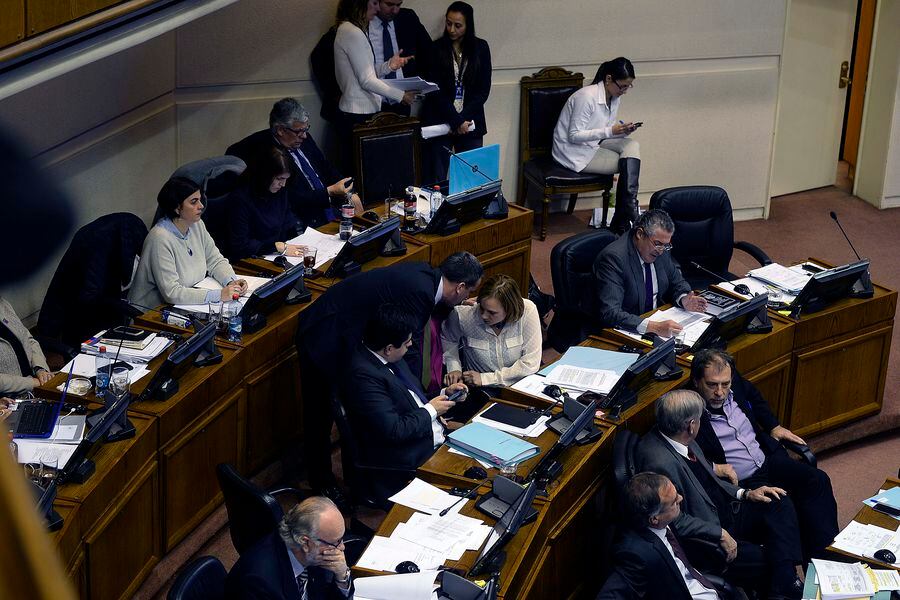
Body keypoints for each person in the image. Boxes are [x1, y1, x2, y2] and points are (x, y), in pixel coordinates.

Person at [294, 252, 483, 505]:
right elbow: (410, 350)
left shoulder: (427, 277)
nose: (467, 298)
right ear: (460, 287)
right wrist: (425, 407)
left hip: (346, 331)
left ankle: (349, 476)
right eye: (469, 291)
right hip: (324, 335)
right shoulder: (421, 294)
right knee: (320, 413)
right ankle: (322, 482)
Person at [636, 389, 804, 599]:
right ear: (691, 425)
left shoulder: (679, 435)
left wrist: (746, 493)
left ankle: (784, 583)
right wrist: (719, 533)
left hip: (726, 508)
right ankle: (786, 583)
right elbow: (673, 520)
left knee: (779, 501)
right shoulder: (659, 462)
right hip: (709, 533)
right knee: (769, 558)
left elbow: (711, 477)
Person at [690, 348, 838, 560]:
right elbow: (684, 455)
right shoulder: (690, 411)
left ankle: (826, 560)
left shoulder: (732, 379)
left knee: (817, 480)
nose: (720, 392)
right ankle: (790, 577)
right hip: (742, 482)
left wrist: (773, 426)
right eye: (712, 385)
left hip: (767, 460)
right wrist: (714, 466)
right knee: (780, 503)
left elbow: (752, 394)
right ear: (696, 381)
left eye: (725, 384)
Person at [343, 304, 468, 504]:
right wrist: (432, 410)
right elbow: (394, 430)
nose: (410, 345)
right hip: (413, 457)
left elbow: (410, 398)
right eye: (407, 342)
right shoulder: (363, 377)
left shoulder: (389, 356)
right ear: (389, 348)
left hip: (433, 436)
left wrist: (444, 394)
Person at [226, 98, 361, 230]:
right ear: (280, 130)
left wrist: (350, 192)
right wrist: (329, 192)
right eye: (299, 131)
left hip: (332, 209)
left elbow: (326, 168)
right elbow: (288, 197)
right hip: (304, 220)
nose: (304, 136)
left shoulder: (304, 140)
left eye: (306, 129)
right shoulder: (268, 155)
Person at [596, 472, 721, 599]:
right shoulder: (634, 555)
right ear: (654, 519)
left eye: (676, 492)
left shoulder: (663, 519)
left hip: (702, 585)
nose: (680, 498)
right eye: (674, 502)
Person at [128, 177, 248, 309]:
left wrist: (231, 282)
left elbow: (215, 260)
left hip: (186, 305)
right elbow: (171, 292)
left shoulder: (196, 225)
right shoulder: (159, 238)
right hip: (152, 313)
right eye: (193, 202)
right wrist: (218, 295)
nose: (201, 206)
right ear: (177, 208)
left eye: (200, 199)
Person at [551, 57, 641, 233]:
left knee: (631, 146)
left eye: (628, 86)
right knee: (627, 164)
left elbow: (606, 129)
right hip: (572, 151)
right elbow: (574, 135)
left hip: (593, 143)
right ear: (608, 79)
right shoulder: (586, 96)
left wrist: (623, 131)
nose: (625, 91)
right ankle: (626, 216)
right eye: (622, 86)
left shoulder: (614, 97)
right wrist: (611, 132)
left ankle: (626, 211)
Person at [333, 0, 419, 171]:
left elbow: (364, 73)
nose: (377, 7)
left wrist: (389, 66)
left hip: (357, 112)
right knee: (364, 172)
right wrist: (401, 96)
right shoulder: (353, 32)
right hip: (358, 114)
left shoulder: (348, 29)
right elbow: (366, 80)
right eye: (373, 3)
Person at [594, 209, 707, 336]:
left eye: (666, 245)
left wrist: (683, 299)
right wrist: (653, 327)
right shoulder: (614, 258)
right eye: (658, 244)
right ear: (640, 234)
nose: (661, 250)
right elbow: (610, 313)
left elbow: (677, 282)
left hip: (658, 320)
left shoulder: (661, 249)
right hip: (626, 330)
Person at [225, 496, 353, 600]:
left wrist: (342, 577)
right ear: (305, 543)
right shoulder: (260, 583)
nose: (342, 547)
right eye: (336, 542)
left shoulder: (313, 555)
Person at [421, 1, 492, 183]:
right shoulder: (436, 49)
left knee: (471, 177)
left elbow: (483, 91)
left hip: (470, 122)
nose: (451, 29)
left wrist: (463, 119)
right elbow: (434, 91)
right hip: (441, 121)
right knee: (436, 178)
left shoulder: (481, 48)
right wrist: (456, 119)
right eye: (448, 23)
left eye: (458, 25)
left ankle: (467, 211)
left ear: (468, 26)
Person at [442, 274, 540, 388]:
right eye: (481, 308)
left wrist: (486, 378)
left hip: (520, 386)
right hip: (481, 391)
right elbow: (448, 339)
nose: (483, 316)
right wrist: (454, 368)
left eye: (492, 312)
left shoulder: (528, 311)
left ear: (509, 309)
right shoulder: (463, 316)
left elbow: (530, 363)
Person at [226, 146, 304, 262]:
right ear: (264, 175)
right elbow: (240, 245)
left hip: (278, 254)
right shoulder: (240, 199)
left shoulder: (280, 191)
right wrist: (276, 246)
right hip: (251, 259)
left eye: (286, 179)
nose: (283, 184)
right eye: (279, 179)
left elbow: (288, 221)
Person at [368, 0, 432, 115]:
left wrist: (416, 83)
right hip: (369, 101)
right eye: (389, 4)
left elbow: (429, 53)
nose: (395, 10)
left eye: (398, 5)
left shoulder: (407, 18)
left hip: (402, 101)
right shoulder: (361, 23)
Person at [0, 296, 52, 396]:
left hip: (38, 387)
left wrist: (40, 369)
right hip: (9, 401)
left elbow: (28, 339)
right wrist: (32, 383)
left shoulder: (3, 304)